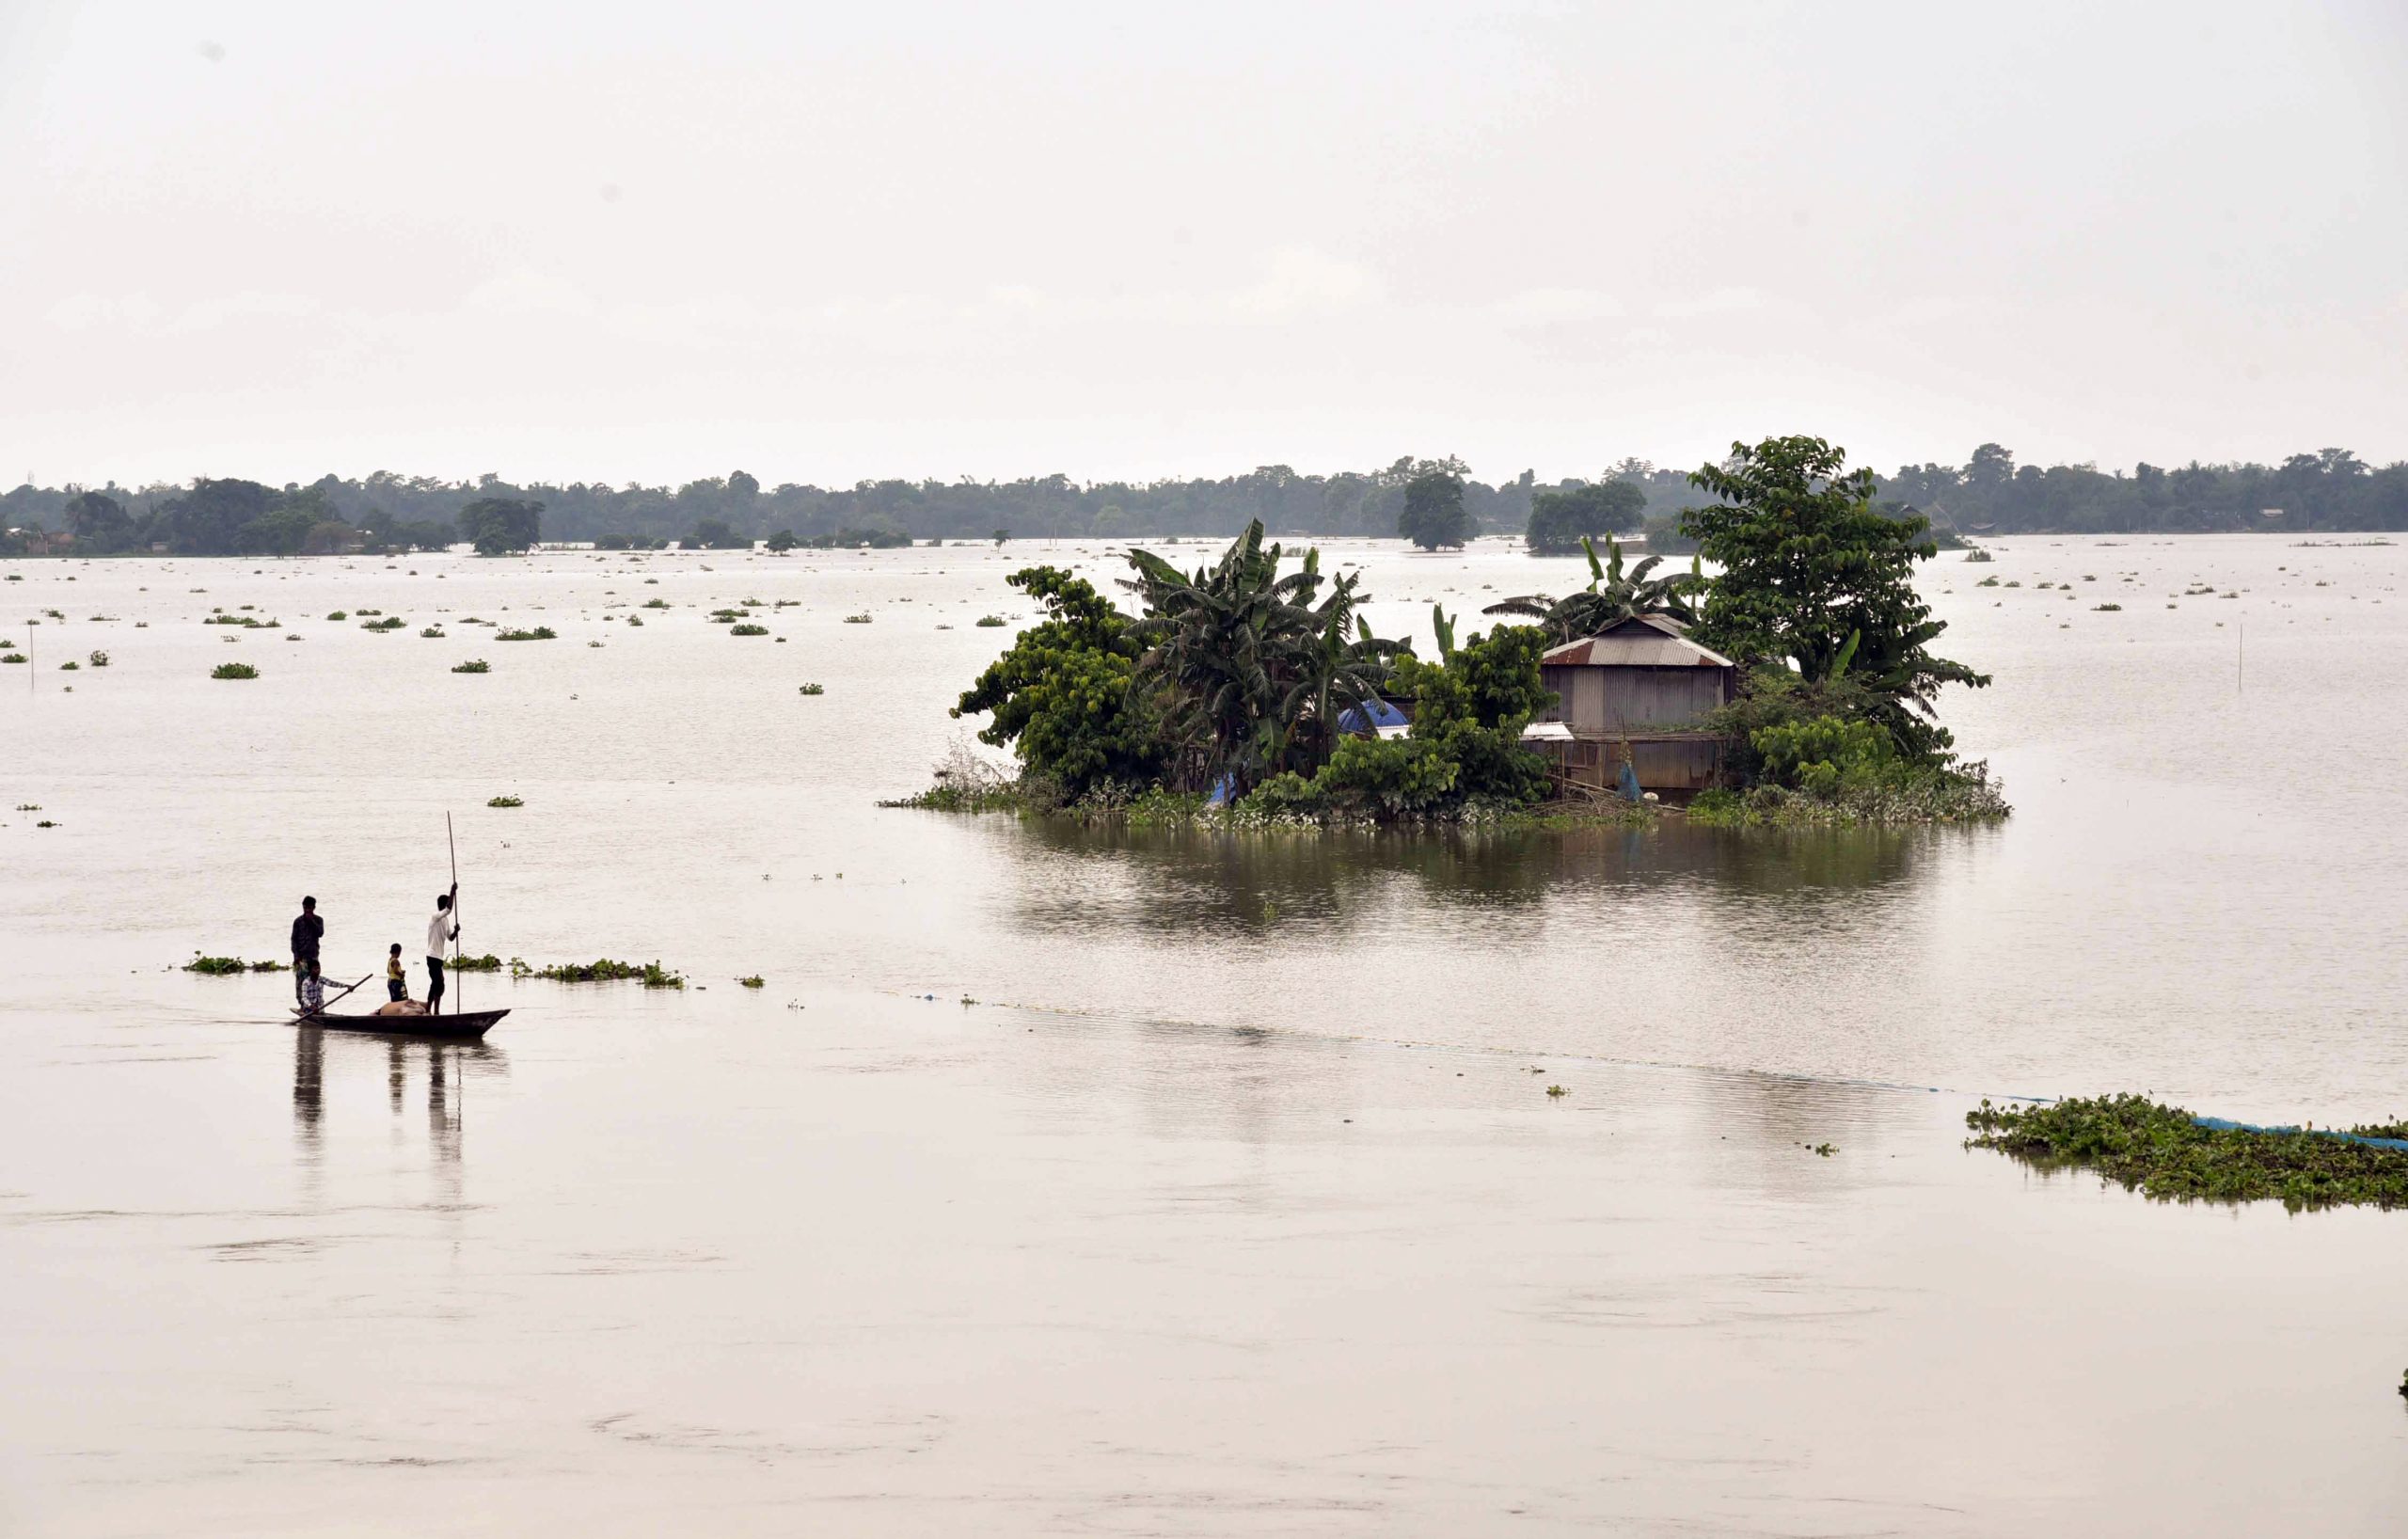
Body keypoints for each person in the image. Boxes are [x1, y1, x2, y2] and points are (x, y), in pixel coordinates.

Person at [425, 882, 459, 1015]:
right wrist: (452, 891)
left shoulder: (445, 921)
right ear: (443, 906)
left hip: (438, 957)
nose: (449, 906)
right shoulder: (436, 916)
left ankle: (432, 1010)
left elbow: (450, 937)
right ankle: (434, 1012)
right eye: (448, 903)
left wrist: (456, 931)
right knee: (438, 984)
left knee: (437, 984)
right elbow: (449, 909)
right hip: (432, 956)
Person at [290, 896, 324, 1007]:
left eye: (309, 908)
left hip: (313, 957)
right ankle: (303, 1005)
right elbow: (294, 939)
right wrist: (296, 956)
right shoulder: (298, 921)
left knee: (314, 982)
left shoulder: (318, 920)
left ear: (314, 907)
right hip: (301, 958)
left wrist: (311, 921)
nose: (307, 910)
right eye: (305, 907)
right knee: (301, 983)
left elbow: (320, 933)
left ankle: (315, 1005)